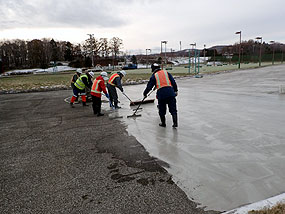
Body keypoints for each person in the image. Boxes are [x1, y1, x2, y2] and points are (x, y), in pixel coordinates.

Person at [143, 63, 178, 128]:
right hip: (171, 93)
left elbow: (149, 86)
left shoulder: (154, 76)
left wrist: (145, 93)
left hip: (162, 94)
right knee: (173, 109)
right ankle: (175, 123)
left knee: (162, 109)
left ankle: (163, 123)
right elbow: (173, 82)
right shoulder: (166, 73)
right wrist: (175, 90)